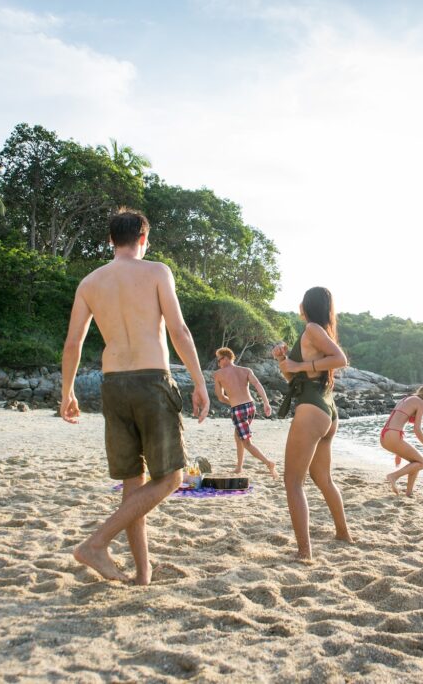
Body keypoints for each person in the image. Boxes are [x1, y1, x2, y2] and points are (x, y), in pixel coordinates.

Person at [61, 209, 210, 585]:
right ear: (143, 239)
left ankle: (142, 574)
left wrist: (68, 392)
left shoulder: (90, 282)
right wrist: (200, 383)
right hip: (151, 381)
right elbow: (179, 330)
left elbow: (73, 342)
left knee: (133, 482)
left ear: (111, 240)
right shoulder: (157, 272)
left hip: (113, 384)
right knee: (172, 478)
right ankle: (96, 543)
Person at [273, 286, 352, 560]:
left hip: (312, 410)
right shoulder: (319, 332)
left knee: (293, 482)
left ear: (305, 305)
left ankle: (304, 552)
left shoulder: (312, 330)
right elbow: (293, 379)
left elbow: (341, 360)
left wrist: (297, 366)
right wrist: (284, 360)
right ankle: (343, 534)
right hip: (326, 410)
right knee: (322, 478)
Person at [212, 347, 277, 479]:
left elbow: (220, 397)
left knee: (246, 442)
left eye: (219, 360)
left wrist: (234, 403)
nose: (218, 363)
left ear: (225, 358)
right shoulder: (246, 370)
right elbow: (258, 385)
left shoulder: (218, 374)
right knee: (238, 436)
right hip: (250, 406)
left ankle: (268, 463)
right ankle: (239, 467)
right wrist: (266, 403)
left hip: (239, 409)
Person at [381, 385, 423, 497]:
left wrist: (397, 451)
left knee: (415, 462)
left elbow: (396, 421)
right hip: (393, 436)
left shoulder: (407, 399)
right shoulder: (421, 403)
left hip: (385, 436)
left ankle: (409, 492)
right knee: (422, 463)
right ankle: (394, 476)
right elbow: (417, 429)